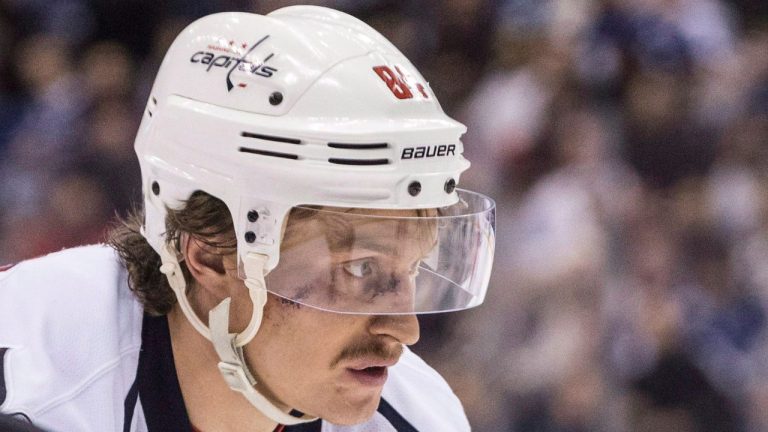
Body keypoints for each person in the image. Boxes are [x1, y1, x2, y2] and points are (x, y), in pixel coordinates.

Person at [0, 6, 496, 432]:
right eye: (361, 268)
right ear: (210, 257)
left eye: (410, 270)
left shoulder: (419, 415)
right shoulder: (28, 377)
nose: (406, 329)